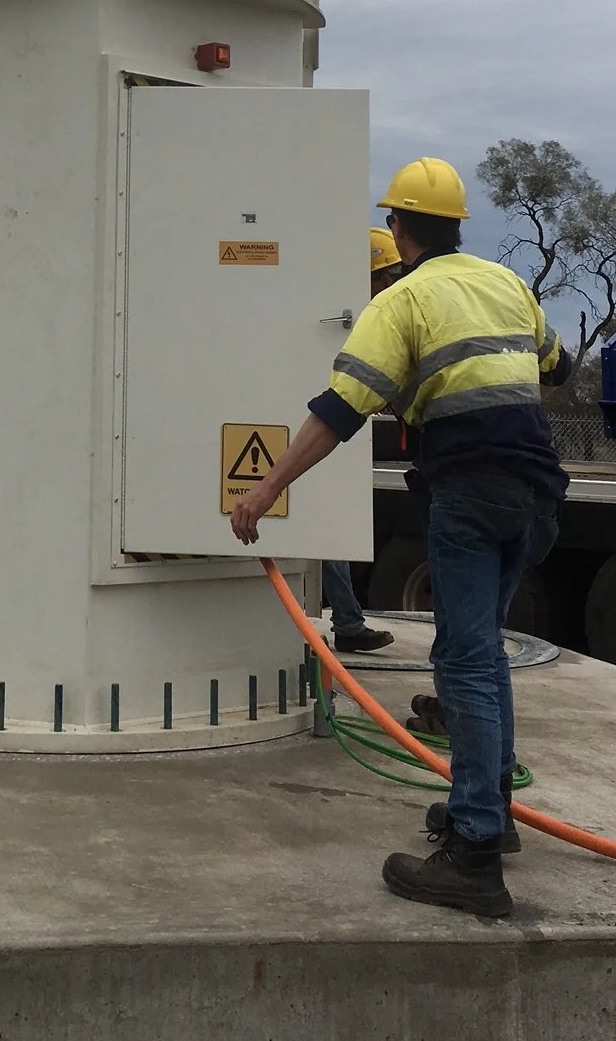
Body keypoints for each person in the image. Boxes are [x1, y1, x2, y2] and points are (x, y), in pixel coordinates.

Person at [231, 157, 570, 920]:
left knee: (466, 659)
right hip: (540, 493)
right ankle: (489, 807)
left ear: (398, 228)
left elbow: (340, 412)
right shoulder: (506, 283)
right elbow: (557, 364)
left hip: (472, 494)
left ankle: (475, 852)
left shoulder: (402, 299)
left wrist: (266, 487)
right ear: (457, 226)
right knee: (482, 652)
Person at [321, 228, 407, 654]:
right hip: (319, 434)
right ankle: (348, 621)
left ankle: (348, 620)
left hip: (332, 436)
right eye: (383, 276)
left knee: (326, 523)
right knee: (321, 522)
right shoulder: (342, 319)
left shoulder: (373, 317)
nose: (389, 284)